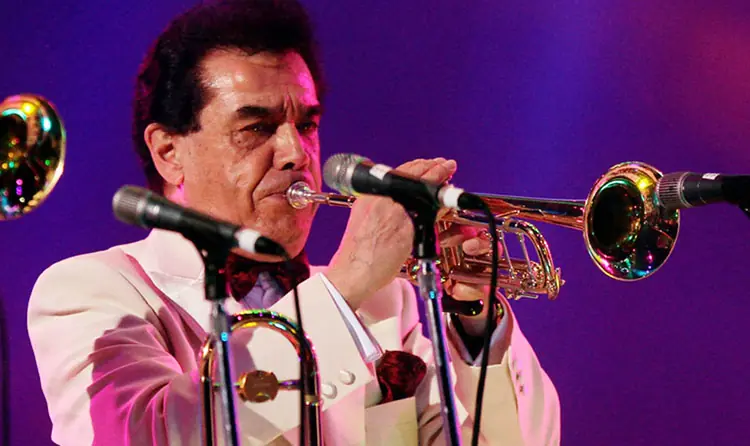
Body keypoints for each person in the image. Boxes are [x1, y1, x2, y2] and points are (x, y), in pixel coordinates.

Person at [27, 0, 560, 444]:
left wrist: (475, 321)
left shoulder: (388, 303)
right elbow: (149, 435)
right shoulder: (88, 290)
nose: (295, 153)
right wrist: (347, 283)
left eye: (306, 124)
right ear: (169, 152)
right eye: (256, 127)